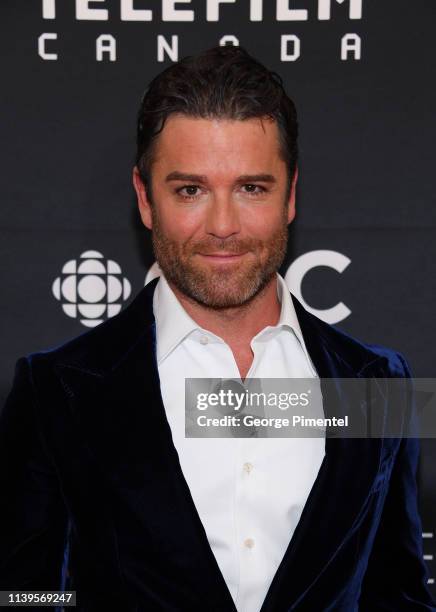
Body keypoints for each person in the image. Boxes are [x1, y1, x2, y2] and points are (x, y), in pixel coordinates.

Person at [0, 45, 434, 612]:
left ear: (291, 195)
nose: (223, 226)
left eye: (251, 188)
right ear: (145, 198)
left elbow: (396, 594)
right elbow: (21, 594)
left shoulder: (377, 381)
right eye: (190, 190)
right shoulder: (56, 387)